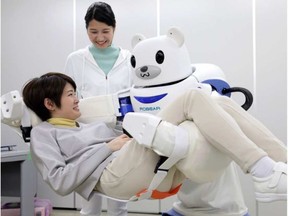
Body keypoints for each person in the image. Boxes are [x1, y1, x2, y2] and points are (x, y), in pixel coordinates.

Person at [23, 72, 286, 206]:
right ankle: (262, 172)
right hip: (114, 175)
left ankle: (280, 167)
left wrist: (120, 134)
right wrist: (107, 148)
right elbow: (60, 181)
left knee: (219, 103)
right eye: (70, 94)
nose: (77, 98)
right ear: (49, 103)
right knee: (192, 98)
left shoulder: (82, 124)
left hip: (132, 159)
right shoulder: (43, 134)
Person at [64, 2, 132, 215]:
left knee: (118, 199)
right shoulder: (75, 60)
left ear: (115, 28)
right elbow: (67, 98)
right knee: (90, 201)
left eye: (105, 31)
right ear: (86, 30)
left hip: (122, 135)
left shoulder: (130, 59)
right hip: (88, 138)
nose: (100, 37)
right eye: (93, 32)